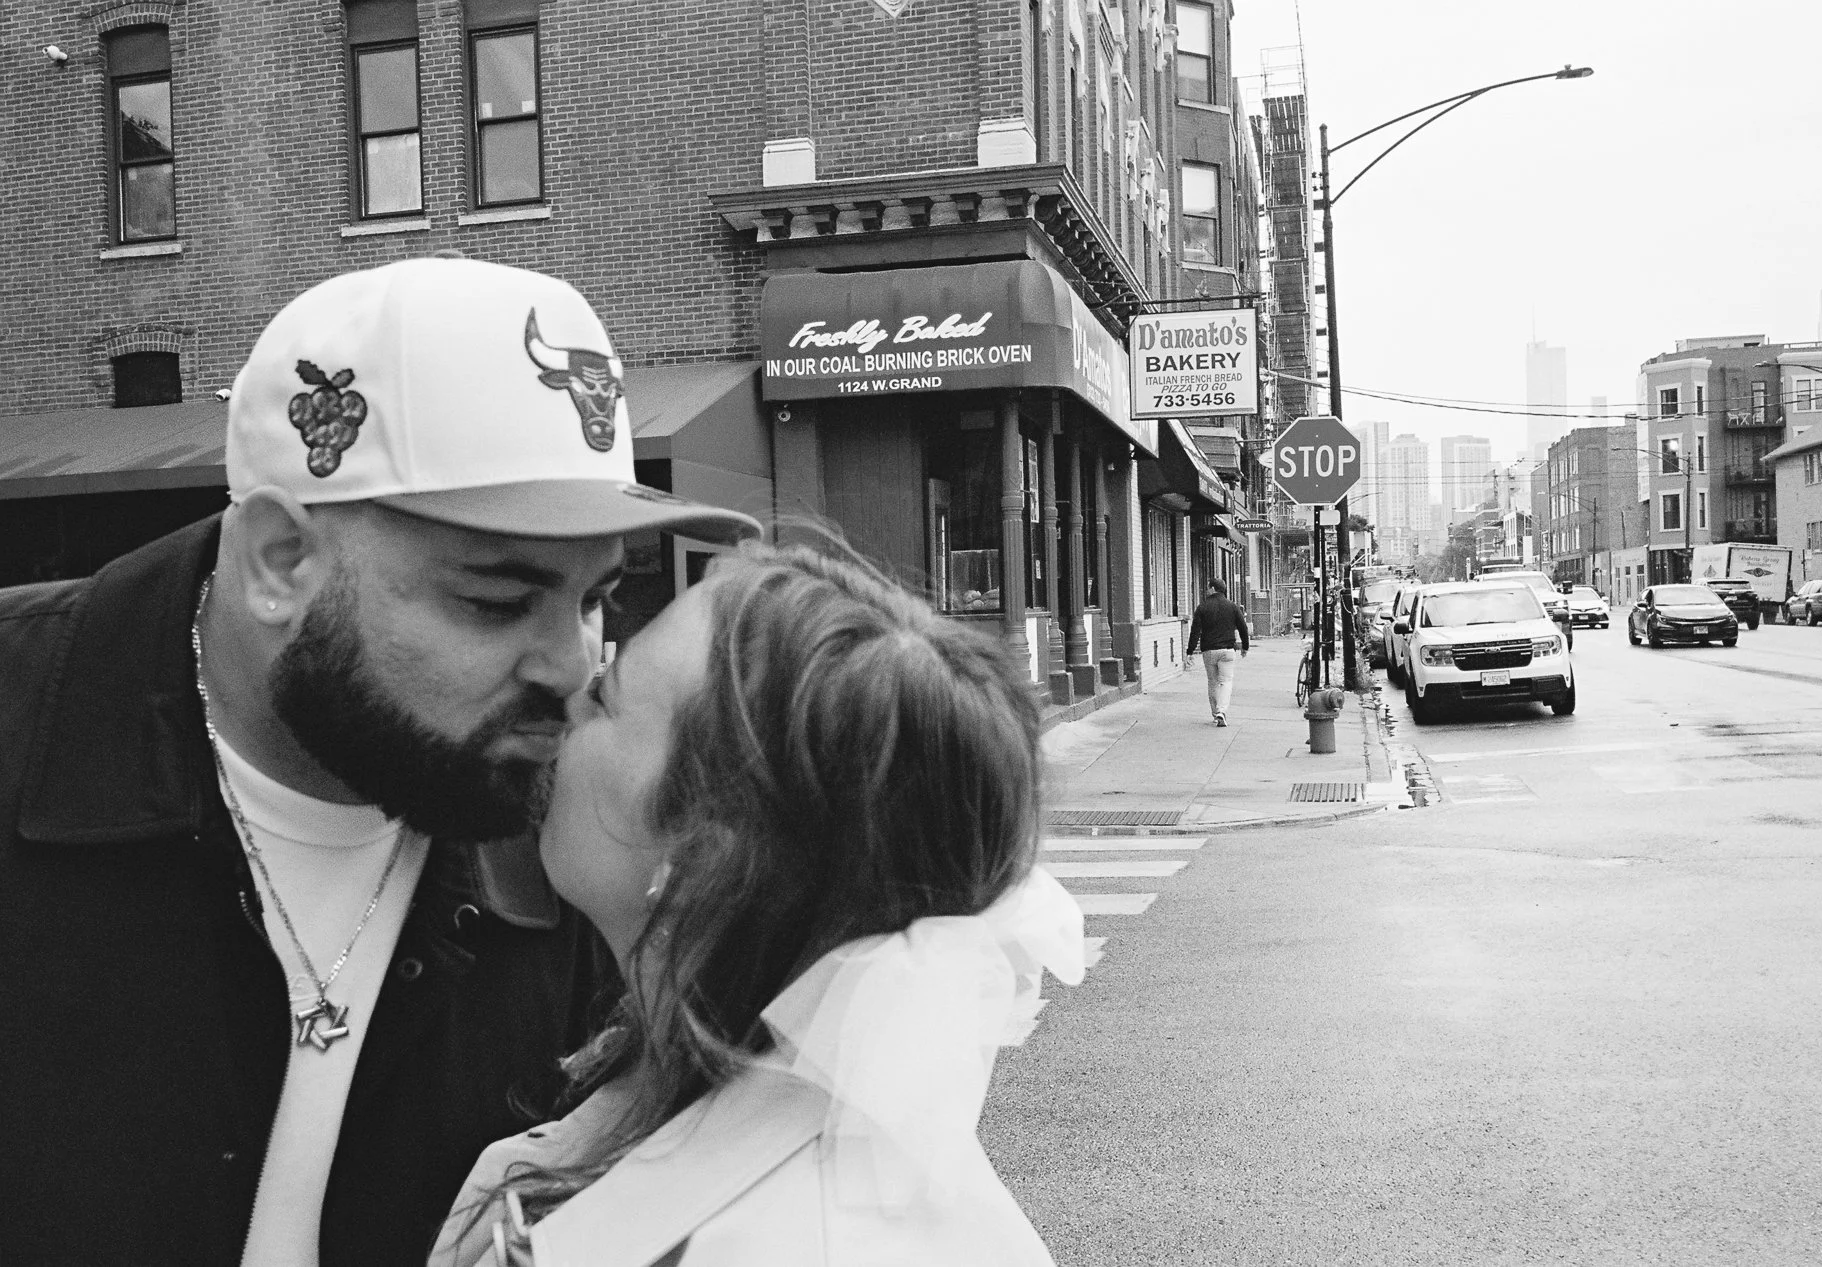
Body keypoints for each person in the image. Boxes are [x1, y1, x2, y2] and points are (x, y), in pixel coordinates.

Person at [0, 256, 760, 1267]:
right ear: (280, 562)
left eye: (594, 597)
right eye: (496, 600)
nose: (576, 665)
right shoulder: (29, 727)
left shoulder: (574, 829)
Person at [429, 541, 1086, 1267]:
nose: (572, 691)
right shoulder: (676, 1081)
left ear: (705, 857)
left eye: (610, 695)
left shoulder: (803, 1241)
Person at [1186, 578, 1250, 726]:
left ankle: (1216, 714)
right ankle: (1222, 711)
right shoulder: (1232, 607)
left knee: (1213, 682)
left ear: (1213, 589)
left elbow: (1195, 631)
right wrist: (1245, 647)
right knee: (1226, 682)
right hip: (1227, 650)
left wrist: (1189, 651)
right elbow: (1243, 628)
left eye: (1209, 588)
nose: (1207, 591)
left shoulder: (1202, 607)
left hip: (1209, 651)